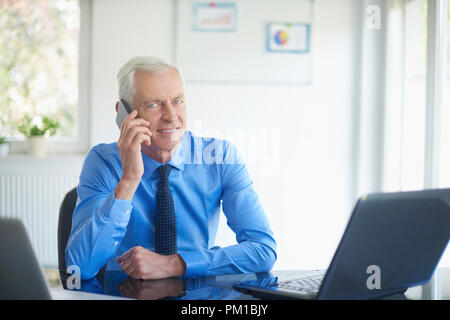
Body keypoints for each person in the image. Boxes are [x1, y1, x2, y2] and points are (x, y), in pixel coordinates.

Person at [65, 56, 277, 280]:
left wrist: (175, 264)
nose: (171, 116)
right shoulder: (104, 161)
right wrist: (129, 180)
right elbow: (79, 267)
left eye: (177, 101)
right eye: (153, 104)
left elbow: (263, 250)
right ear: (123, 113)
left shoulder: (220, 158)